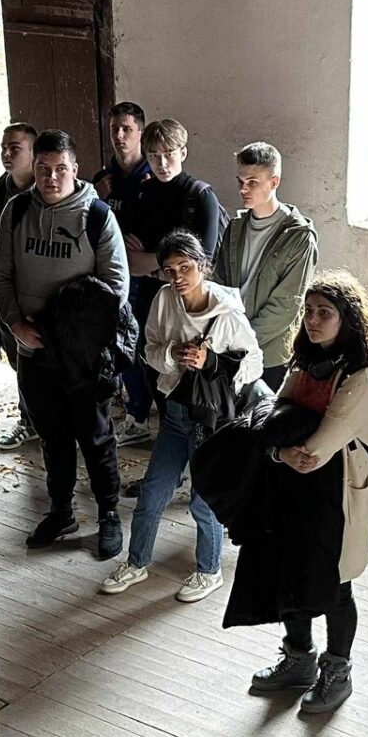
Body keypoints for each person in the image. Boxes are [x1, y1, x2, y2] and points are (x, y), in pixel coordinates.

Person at [239, 273, 368, 716]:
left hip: (337, 499)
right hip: (294, 493)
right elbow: (268, 420)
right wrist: (278, 448)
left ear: (348, 320)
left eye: (325, 313)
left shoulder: (362, 379)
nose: (313, 321)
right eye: (308, 312)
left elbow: (315, 451)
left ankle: (337, 671)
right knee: (291, 575)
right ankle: (299, 658)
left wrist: (279, 447)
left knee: (336, 587)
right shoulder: (304, 363)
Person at [0, 128, 130, 557]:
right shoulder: (16, 211)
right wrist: (15, 322)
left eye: (61, 169)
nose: (52, 178)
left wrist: (73, 333)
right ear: (34, 169)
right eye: (44, 169)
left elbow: (116, 287)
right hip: (33, 350)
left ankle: (108, 513)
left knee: (95, 436)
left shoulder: (97, 216)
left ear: (75, 169)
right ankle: (62, 511)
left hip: (81, 357)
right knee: (52, 437)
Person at [101, 231, 263, 603]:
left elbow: (254, 363)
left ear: (202, 265)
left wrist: (211, 362)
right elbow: (150, 350)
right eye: (169, 270)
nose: (178, 277)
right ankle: (136, 563)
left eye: (185, 267)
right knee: (153, 492)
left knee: (203, 501)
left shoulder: (227, 312)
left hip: (209, 420)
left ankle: (209, 571)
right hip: (174, 413)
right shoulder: (164, 299)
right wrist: (173, 354)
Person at [114, 118, 229, 445]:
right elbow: (131, 261)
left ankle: (198, 459)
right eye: (153, 156)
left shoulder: (200, 197)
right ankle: (173, 453)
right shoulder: (144, 193)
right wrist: (168, 264)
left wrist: (154, 262)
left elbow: (201, 264)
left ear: (183, 153)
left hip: (191, 309)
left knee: (191, 388)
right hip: (151, 303)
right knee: (156, 376)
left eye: (169, 154)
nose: (162, 163)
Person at [210, 142, 318, 389]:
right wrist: (222, 336)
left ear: (274, 182)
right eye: (240, 181)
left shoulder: (299, 236)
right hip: (228, 346)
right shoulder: (236, 227)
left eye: (252, 182)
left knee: (263, 412)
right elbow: (219, 284)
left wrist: (241, 340)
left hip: (269, 355)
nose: (243, 189)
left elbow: (286, 305)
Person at [0, 122, 40, 453]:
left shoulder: (48, 190)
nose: (7, 153)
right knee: (18, 356)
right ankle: (28, 420)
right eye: (4, 148)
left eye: (15, 148)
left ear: (33, 153)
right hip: (8, 289)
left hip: (39, 287)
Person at [92, 100, 148, 208]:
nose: (118, 135)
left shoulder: (156, 176)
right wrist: (95, 198)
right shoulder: (101, 180)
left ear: (141, 133)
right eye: (114, 129)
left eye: (126, 129)